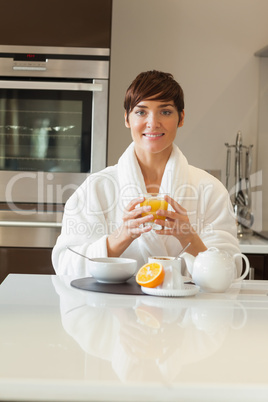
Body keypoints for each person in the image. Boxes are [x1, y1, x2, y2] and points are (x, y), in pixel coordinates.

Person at [52, 70, 240, 276]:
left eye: (165, 112)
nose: (153, 123)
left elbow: (230, 270)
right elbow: (66, 265)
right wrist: (121, 237)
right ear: (127, 118)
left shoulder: (210, 189)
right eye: (141, 112)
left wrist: (189, 237)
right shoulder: (97, 187)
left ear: (181, 118)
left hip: (186, 308)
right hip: (111, 308)